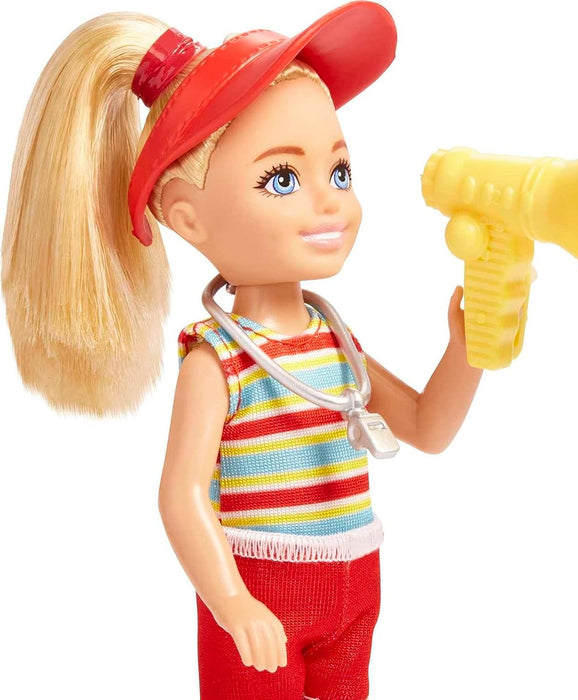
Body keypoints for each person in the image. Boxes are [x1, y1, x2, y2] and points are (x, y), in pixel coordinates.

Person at [1, 3, 482, 698]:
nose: (330, 203)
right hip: (260, 590)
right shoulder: (217, 362)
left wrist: (468, 349)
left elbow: (427, 428)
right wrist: (230, 601)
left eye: (339, 172)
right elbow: (180, 495)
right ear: (186, 215)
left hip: (356, 581)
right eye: (281, 179)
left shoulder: (337, 345)